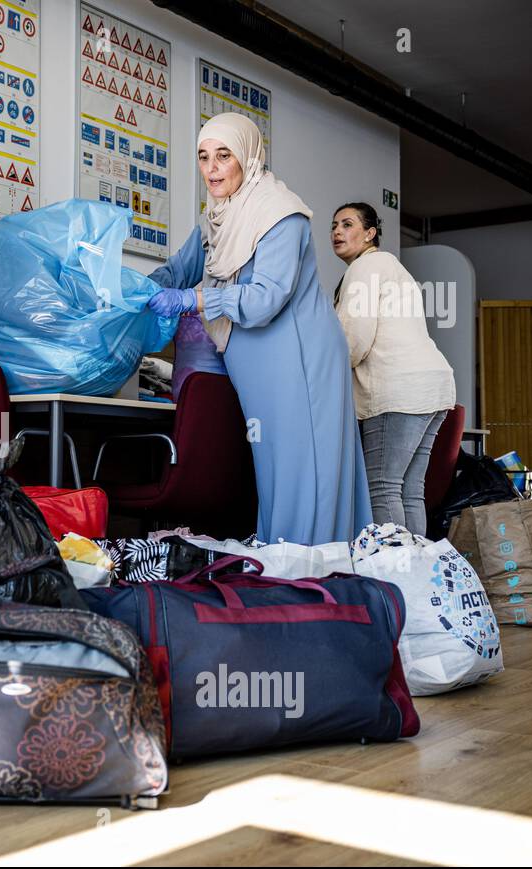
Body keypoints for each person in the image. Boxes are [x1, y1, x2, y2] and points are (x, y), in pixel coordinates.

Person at [147, 113, 371, 545]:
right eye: (203, 157)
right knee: (273, 475)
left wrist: (193, 300)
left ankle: (310, 576)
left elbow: (266, 297)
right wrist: (135, 290)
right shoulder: (218, 220)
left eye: (223, 156)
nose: (212, 168)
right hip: (256, 369)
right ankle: (284, 574)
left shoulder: (280, 214)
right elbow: (180, 269)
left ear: (247, 157)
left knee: (303, 472)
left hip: (298, 360)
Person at [331, 202, 456, 535]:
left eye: (347, 224)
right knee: (410, 490)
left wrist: (327, 377)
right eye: (334, 226)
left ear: (370, 234)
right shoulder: (393, 269)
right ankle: (414, 574)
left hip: (398, 390)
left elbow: (353, 338)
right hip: (434, 386)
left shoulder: (365, 268)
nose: (337, 232)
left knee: (383, 486)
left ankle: (395, 574)